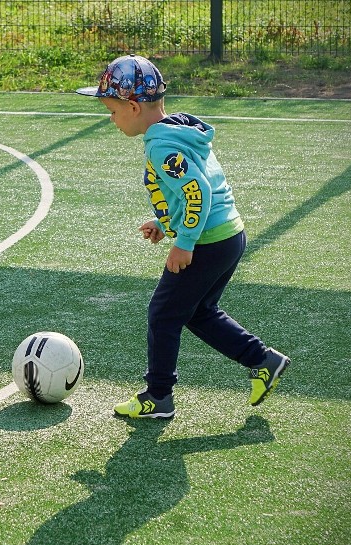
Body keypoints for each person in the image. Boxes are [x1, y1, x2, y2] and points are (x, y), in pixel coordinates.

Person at [76, 54, 290, 418]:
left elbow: (199, 192)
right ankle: (263, 360)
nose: (110, 119)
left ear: (131, 106)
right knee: (198, 312)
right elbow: (190, 190)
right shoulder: (176, 132)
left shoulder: (161, 145)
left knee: (163, 314)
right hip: (228, 235)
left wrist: (184, 242)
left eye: (111, 110)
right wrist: (165, 223)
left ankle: (158, 396)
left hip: (207, 242)